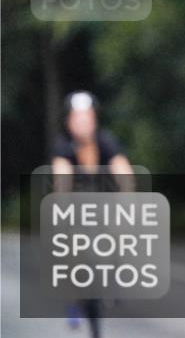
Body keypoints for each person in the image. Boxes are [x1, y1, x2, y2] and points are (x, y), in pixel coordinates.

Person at [51, 90, 134, 338]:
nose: (83, 123)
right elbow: (61, 179)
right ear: (69, 121)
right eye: (78, 118)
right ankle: (74, 300)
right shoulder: (63, 146)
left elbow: (124, 172)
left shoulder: (105, 141)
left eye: (87, 117)